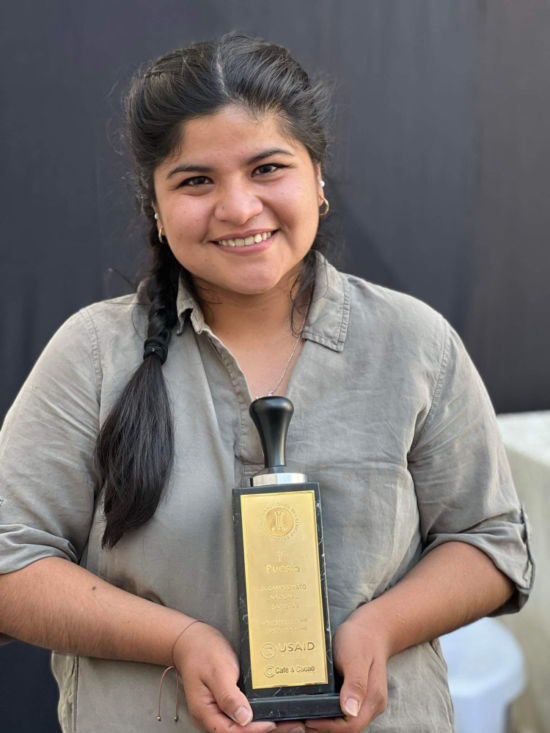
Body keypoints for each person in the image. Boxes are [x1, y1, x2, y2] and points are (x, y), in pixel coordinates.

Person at [0, 31, 534, 733]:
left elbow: (492, 541)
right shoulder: (93, 355)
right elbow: (11, 560)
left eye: (267, 168)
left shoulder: (414, 344)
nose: (239, 207)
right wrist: (178, 640)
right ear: (156, 205)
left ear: (317, 177)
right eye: (196, 180)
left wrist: (378, 628)